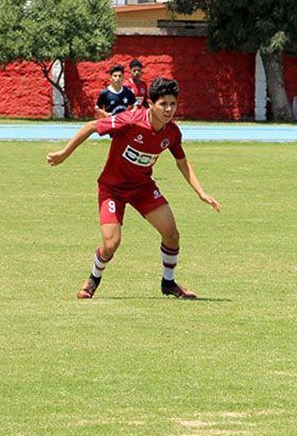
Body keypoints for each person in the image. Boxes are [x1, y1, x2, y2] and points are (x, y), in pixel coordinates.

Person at [47, 77, 221, 299]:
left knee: (171, 234)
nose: (169, 109)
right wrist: (64, 153)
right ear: (151, 103)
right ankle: (93, 279)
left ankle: (168, 284)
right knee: (111, 244)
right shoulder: (130, 121)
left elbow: (182, 162)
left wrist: (201, 192)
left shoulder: (172, 133)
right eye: (163, 104)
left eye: (173, 104)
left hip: (143, 189)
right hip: (112, 189)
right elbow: (91, 126)